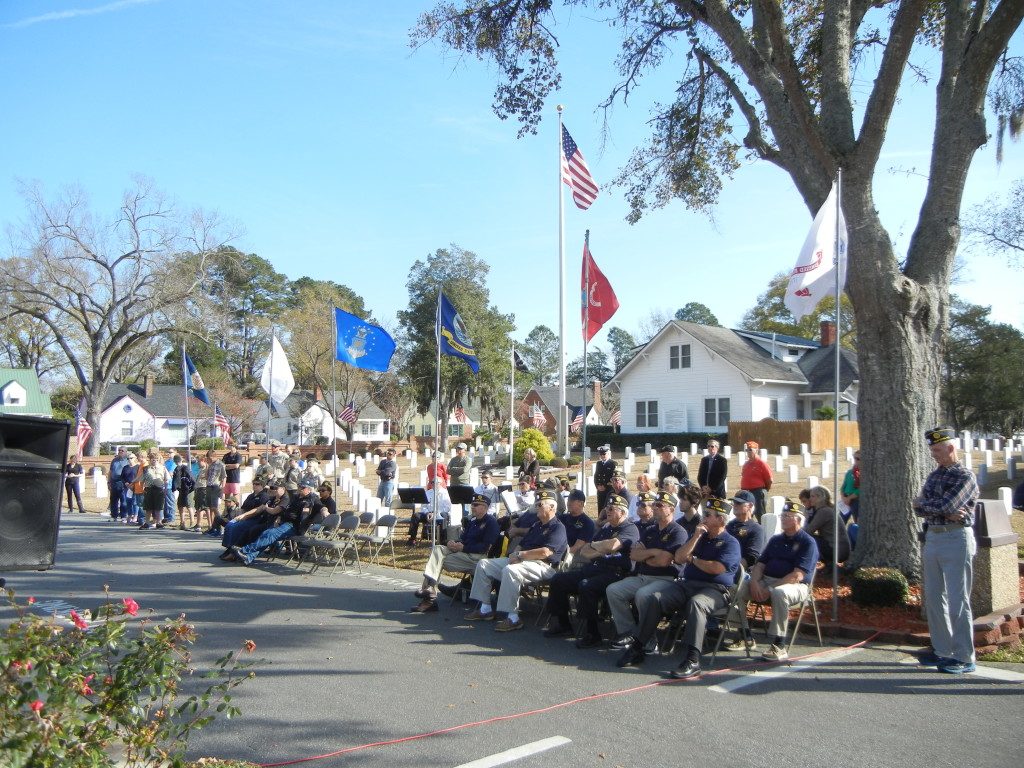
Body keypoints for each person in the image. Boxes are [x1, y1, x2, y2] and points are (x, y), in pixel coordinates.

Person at [615, 497, 741, 676]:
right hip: (688, 584)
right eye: (704, 513)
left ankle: (692, 659)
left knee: (697, 604)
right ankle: (638, 647)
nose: (703, 517)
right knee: (655, 598)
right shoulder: (700, 537)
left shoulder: (730, 542)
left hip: (715, 589)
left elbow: (717, 568)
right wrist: (696, 537)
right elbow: (680, 557)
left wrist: (695, 560)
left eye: (708, 515)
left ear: (721, 520)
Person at [913, 427, 979, 674]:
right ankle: (942, 650)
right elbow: (918, 506)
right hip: (934, 536)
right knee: (933, 596)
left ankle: (964, 655)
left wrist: (931, 506)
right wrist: (936, 508)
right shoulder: (934, 476)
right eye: (932, 450)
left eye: (937, 450)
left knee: (957, 599)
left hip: (955, 537)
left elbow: (948, 505)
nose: (934, 455)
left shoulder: (965, 477)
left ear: (951, 448)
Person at [463, 489, 567, 632]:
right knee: (484, 564)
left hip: (543, 566)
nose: (536, 507)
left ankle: (513, 618)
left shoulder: (558, 527)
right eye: (536, 504)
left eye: (540, 504)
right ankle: (485, 608)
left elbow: (545, 552)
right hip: (523, 561)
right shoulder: (537, 525)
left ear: (552, 507)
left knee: (510, 570)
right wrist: (513, 554)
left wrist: (520, 554)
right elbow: (522, 543)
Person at [543, 494, 639, 646]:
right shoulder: (606, 529)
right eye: (607, 507)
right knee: (559, 580)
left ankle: (592, 633)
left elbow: (613, 545)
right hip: (595, 567)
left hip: (616, 572)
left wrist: (601, 547)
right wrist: (602, 549)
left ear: (622, 512)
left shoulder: (629, 528)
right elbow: (585, 551)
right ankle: (564, 624)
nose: (607, 510)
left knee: (587, 586)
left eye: (612, 508)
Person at [728, 500, 818, 661]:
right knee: (735, 588)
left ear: (797, 520)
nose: (782, 519)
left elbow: (797, 575)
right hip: (766, 580)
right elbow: (760, 564)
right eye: (782, 515)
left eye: (786, 516)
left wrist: (769, 589)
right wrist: (755, 582)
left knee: (779, 592)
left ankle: (779, 644)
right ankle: (744, 634)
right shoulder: (776, 540)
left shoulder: (807, 542)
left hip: (795, 585)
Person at [604, 491, 689, 651]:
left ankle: (649, 639)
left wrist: (647, 554)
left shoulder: (678, 532)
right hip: (643, 576)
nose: (655, 508)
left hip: (666, 580)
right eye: (655, 504)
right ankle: (628, 632)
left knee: (643, 595)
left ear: (671, 510)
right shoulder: (650, 530)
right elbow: (634, 555)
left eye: (659, 505)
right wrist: (654, 553)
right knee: (614, 590)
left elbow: (664, 561)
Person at [410, 493, 500, 613]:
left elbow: (485, 547)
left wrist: (463, 548)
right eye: (472, 504)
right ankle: (430, 588)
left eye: (477, 505)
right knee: (437, 549)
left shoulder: (491, 523)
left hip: (477, 558)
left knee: (437, 561)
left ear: (485, 507)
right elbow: (463, 538)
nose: (473, 507)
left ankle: (429, 600)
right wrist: (452, 542)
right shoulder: (473, 522)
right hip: (463, 554)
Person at [228, 479, 322, 566]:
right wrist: (280, 517)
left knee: (270, 534)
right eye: (299, 486)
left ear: (309, 490)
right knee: (267, 534)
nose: (299, 488)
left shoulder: (312, 498)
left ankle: (245, 550)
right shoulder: (296, 497)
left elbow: (320, 506)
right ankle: (249, 557)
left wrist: (325, 510)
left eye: (302, 487)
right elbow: (287, 510)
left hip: (294, 526)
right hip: (284, 521)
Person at [220, 480, 278, 554]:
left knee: (237, 527)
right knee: (230, 525)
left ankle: (234, 548)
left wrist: (245, 516)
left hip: (255, 518)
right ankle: (228, 546)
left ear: (262, 486)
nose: (255, 485)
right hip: (245, 516)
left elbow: (258, 511)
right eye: (254, 484)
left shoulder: (264, 496)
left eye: (257, 484)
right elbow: (243, 508)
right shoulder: (250, 496)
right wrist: (236, 516)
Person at [804, 485, 850, 565]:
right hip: (840, 550)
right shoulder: (827, 509)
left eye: (813, 496)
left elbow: (808, 531)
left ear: (820, 497)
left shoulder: (824, 511)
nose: (810, 499)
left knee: (808, 539)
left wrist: (806, 518)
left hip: (837, 551)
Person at [558, 489, 596, 569]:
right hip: (556, 550)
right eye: (568, 500)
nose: (569, 503)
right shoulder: (563, 518)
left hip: (571, 554)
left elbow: (577, 548)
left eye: (572, 500)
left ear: (581, 503)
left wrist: (558, 553)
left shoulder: (587, 523)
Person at [725, 491, 764, 569]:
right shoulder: (728, 526)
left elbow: (751, 557)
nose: (735, 506)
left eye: (738, 503)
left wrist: (732, 569)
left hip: (740, 570)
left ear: (750, 506)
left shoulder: (756, 529)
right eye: (734, 503)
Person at [739, 441, 773, 520]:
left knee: (760, 514)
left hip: (757, 492)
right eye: (747, 450)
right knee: (746, 514)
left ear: (757, 450)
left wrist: (764, 490)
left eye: (750, 449)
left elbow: (769, 480)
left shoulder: (761, 463)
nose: (748, 452)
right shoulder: (746, 464)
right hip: (746, 492)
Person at [140, 450, 170, 529]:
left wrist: (165, 488)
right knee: (148, 507)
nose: (155, 461)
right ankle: (147, 522)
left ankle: (158, 522)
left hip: (159, 489)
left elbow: (166, 479)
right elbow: (142, 479)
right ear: (150, 460)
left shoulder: (162, 468)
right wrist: (142, 488)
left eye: (157, 460)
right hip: (149, 488)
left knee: (158, 507)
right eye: (153, 459)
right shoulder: (146, 468)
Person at [173, 455, 196, 530]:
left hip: (188, 489)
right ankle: (182, 523)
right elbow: (175, 479)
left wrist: (191, 487)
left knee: (189, 506)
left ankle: (192, 523)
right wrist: (174, 487)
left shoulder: (185, 468)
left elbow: (192, 478)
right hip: (181, 489)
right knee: (180, 506)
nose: (177, 463)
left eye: (178, 461)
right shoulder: (176, 468)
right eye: (176, 461)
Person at [108, 446, 129, 520]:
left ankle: (123, 516)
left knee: (123, 500)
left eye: (122, 450)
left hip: (122, 482)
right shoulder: (114, 460)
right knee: (113, 499)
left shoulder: (127, 460)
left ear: (126, 452)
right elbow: (110, 471)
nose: (120, 452)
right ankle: (114, 516)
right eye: (119, 450)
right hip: (114, 482)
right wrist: (108, 482)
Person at [593, 445, 616, 511]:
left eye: (604, 454)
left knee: (608, 508)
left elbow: (612, 477)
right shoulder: (599, 463)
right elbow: (596, 476)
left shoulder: (612, 463)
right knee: (600, 508)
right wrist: (597, 486)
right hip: (600, 490)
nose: (602, 456)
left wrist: (605, 486)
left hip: (608, 490)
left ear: (608, 454)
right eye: (601, 454)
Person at [840, 450, 861, 522]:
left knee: (857, 520)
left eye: (858, 459)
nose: (855, 460)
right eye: (854, 458)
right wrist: (843, 497)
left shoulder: (863, 473)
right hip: (846, 499)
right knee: (841, 521)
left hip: (856, 500)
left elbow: (860, 489)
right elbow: (843, 486)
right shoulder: (849, 472)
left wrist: (850, 498)